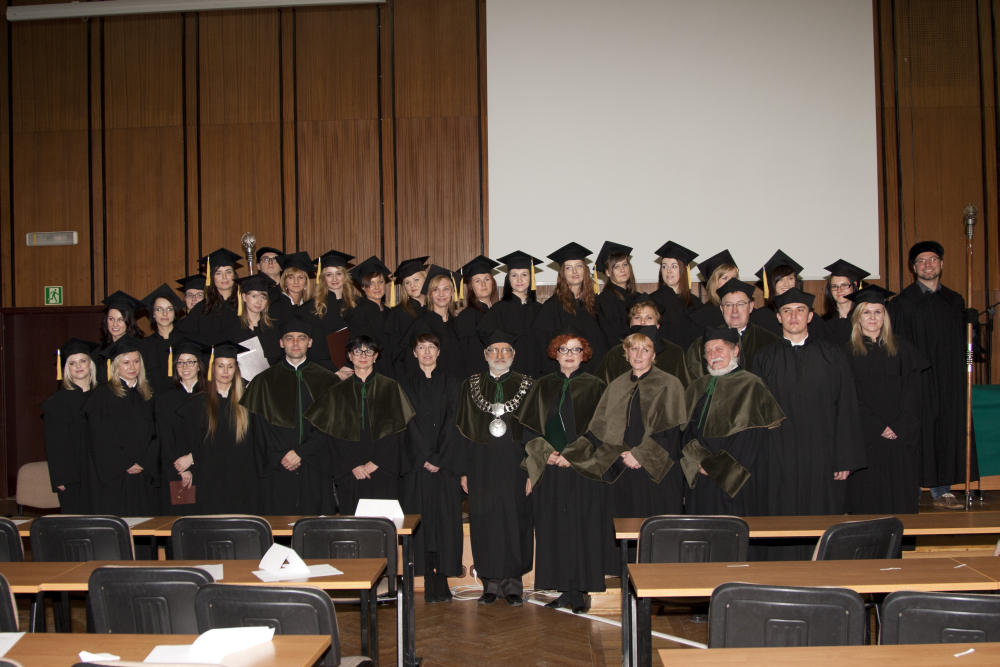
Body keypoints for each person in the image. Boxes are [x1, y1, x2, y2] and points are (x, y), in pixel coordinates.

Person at [755, 288, 866, 558]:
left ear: (810, 316)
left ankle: (822, 573)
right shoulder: (764, 358)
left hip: (823, 454)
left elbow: (846, 407)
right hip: (778, 455)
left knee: (821, 516)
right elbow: (755, 413)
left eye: (800, 310)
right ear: (779, 317)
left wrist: (844, 458)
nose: (793, 316)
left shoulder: (833, 355)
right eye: (787, 311)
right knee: (780, 516)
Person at [514, 330, 608, 615]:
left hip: (583, 468)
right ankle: (561, 588)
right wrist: (549, 454)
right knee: (552, 526)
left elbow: (602, 429)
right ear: (555, 353)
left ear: (584, 355)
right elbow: (527, 429)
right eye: (564, 349)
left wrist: (572, 455)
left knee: (582, 527)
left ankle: (579, 591)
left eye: (575, 349)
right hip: (551, 468)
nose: (569, 354)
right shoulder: (542, 386)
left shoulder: (596, 386)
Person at [887, 241, 979, 510]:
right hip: (918, 380)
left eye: (932, 259)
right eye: (921, 261)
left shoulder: (954, 301)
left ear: (941, 264)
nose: (927, 265)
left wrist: (971, 327)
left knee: (946, 429)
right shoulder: (902, 303)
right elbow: (895, 346)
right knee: (918, 429)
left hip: (949, 379)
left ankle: (942, 491)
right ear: (913, 268)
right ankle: (912, 488)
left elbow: (966, 345)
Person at [590, 331, 687, 569]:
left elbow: (671, 429)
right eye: (634, 349)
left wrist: (640, 455)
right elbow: (601, 427)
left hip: (656, 469)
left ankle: (657, 577)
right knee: (624, 526)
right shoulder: (616, 385)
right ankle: (624, 575)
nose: (639, 354)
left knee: (653, 527)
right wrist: (617, 455)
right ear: (626, 353)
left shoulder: (669, 383)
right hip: (622, 466)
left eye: (645, 349)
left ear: (654, 354)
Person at [455, 330, 534, 606]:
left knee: (515, 520)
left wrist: (532, 470)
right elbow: (461, 432)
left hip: (516, 465)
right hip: (480, 464)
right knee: (484, 520)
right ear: (485, 354)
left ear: (513, 354)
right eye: (494, 350)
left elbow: (535, 432)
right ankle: (489, 583)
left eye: (505, 350)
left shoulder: (528, 385)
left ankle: (513, 585)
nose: (500, 355)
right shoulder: (470, 386)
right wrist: (463, 471)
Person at [681, 328, 785, 517]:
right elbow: (686, 431)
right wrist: (699, 461)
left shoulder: (751, 384)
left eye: (719, 349)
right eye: (708, 351)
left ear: (735, 350)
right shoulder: (697, 386)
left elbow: (751, 439)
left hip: (734, 478)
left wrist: (714, 467)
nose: (713, 355)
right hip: (700, 473)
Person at [241, 318, 340, 514]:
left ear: (310, 342)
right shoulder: (263, 381)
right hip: (279, 466)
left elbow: (332, 424)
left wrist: (302, 452)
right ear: (281, 343)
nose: (295, 343)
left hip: (315, 465)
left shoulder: (328, 380)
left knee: (314, 523)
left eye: (301, 338)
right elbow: (260, 428)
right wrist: (283, 455)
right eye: (289, 338)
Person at [844, 285, 929, 515]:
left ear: (885, 316)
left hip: (900, 438)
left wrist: (899, 426)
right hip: (866, 439)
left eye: (878, 312)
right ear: (857, 317)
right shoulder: (846, 354)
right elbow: (848, 398)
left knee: (900, 498)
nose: (872, 317)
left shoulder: (903, 349)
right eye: (866, 312)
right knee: (868, 499)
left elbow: (914, 393)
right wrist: (877, 426)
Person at [307, 335, 414, 515]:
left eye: (368, 351)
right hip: (350, 471)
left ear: (376, 356)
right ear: (350, 356)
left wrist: (378, 462)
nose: (363, 355)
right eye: (357, 351)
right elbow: (333, 434)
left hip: (382, 470)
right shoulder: (337, 392)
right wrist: (353, 464)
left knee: (383, 524)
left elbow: (398, 432)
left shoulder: (390, 387)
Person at [398, 327, 464, 602]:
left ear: (439, 351)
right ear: (414, 353)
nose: (427, 352)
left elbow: (454, 421)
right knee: (421, 521)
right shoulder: (403, 384)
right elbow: (407, 422)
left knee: (445, 522)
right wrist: (424, 456)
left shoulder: (452, 382)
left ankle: (443, 578)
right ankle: (425, 576)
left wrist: (438, 458)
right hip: (416, 465)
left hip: (444, 465)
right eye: (421, 348)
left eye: (432, 347)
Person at [176, 340, 261, 514]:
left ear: (236, 369)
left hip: (242, 478)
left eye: (230, 366)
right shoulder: (199, 403)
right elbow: (191, 441)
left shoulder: (248, 400)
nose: (225, 371)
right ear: (212, 368)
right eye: (220, 366)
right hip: (210, 477)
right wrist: (192, 456)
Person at [82, 335, 160, 516]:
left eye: (136, 361)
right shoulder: (102, 394)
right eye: (126, 362)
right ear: (116, 365)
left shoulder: (149, 394)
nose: (132, 367)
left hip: (143, 471)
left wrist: (145, 461)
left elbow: (157, 433)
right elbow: (99, 437)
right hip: (115, 473)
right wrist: (125, 462)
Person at [42, 338, 98, 514]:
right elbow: (54, 444)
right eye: (72, 363)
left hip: (101, 472)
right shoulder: (57, 401)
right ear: (66, 368)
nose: (78, 366)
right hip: (73, 475)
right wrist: (61, 477)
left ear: (90, 364)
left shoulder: (103, 395)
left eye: (82, 361)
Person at [532, 243, 608, 374]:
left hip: (592, 375)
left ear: (585, 270)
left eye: (579, 266)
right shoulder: (552, 307)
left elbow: (601, 344)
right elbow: (543, 351)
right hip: (565, 376)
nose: (574, 272)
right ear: (563, 273)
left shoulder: (595, 304)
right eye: (568, 268)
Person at [684, 279, 779, 379]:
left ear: (751, 307)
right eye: (729, 305)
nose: (734, 310)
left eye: (740, 304)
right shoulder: (701, 345)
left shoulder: (770, 342)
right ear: (722, 309)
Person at [154, 337, 205, 515]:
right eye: (180, 362)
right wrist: (182, 469)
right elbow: (165, 438)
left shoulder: (211, 397)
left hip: (207, 469)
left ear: (199, 366)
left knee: (207, 519)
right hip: (177, 471)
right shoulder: (165, 400)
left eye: (190, 362)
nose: (185, 367)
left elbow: (216, 435)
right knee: (181, 520)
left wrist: (193, 458)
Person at [477, 250, 545, 379]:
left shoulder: (541, 310)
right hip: (508, 377)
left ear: (531, 278)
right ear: (508, 278)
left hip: (539, 375)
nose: (519, 279)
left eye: (524, 274)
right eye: (514, 275)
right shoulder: (497, 311)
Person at [594, 298, 691, 387]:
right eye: (637, 317)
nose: (642, 322)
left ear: (658, 324)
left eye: (649, 318)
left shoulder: (675, 353)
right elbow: (599, 389)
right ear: (630, 324)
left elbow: (686, 390)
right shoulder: (615, 355)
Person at [396, 265, 465, 380]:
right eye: (436, 289)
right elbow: (410, 364)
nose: (441, 294)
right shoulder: (420, 324)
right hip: (429, 386)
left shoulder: (457, 324)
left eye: (446, 289)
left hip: (455, 385)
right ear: (430, 294)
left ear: (452, 293)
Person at [750, 250, 829, 340]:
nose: (786, 284)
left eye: (790, 278)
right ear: (771, 284)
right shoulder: (760, 317)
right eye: (780, 279)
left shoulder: (808, 316)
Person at [302, 249, 357, 374]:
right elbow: (312, 348)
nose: (334, 278)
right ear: (323, 278)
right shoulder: (312, 308)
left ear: (345, 276)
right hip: (324, 371)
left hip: (353, 368)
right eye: (329, 274)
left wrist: (349, 366)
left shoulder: (357, 305)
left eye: (338, 273)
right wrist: (334, 372)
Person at [176, 248, 243, 345]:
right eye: (218, 273)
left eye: (228, 272)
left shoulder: (245, 304)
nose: (224, 277)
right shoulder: (202, 308)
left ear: (234, 275)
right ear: (211, 278)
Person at [345, 256, 395, 377]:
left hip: (391, 370)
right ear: (362, 286)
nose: (377, 287)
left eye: (380, 282)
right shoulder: (359, 313)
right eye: (371, 283)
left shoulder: (389, 312)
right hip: (372, 372)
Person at [649, 241, 704, 349]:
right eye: (664, 267)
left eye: (674, 266)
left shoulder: (695, 303)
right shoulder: (652, 301)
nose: (668, 271)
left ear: (683, 270)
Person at [454, 255, 501, 378]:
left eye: (487, 279)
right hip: (480, 378)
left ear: (493, 283)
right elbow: (469, 356)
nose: (483, 284)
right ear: (471, 287)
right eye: (477, 281)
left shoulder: (500, 312)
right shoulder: (467, 317)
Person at [385, 257, 429, 377]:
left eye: (416, 280)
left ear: (426, 279)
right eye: (407, 282)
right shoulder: (398, 314)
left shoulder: (435, 310)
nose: (412, 285)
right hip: (409, 374)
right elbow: (394, 353)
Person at [225, 274, 283, 364]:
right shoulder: (232, 328)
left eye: (263, 297)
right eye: (254, 296)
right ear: (244, 297)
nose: (259, 301)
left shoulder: (273, 328)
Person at [139, 283, 185, 394]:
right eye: (159, 309)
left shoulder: (186, 341)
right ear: (153, 314)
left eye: (169, 309)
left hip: (184, 399)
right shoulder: (144, 345)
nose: (164, 314)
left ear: (175, 313)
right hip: (155, 400)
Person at [595, 241, 637, 349]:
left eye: (624, 264)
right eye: (616, 267)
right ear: (607, 272)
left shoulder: (638, 297)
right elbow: (612, 336)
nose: (622, 270)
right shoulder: (604, 300)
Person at [96, 291, 146, 383]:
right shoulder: (99, 352)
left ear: (129, 322)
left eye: (120, 320)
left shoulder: (142, 348)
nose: (115, 324)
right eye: (111, 319)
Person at [822, 259, 870, 346]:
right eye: (834, 286)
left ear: (854, 285)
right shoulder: (824, 322)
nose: (839, 290)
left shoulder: (864, 319)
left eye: (844, 285)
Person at [689, 250, 737, 328]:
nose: (730, 282)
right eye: (725, 278)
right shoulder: (702, 316)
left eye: (734, 278)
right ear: (714, 283)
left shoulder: (746, 311)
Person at [268, 251, 314, 327]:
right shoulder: (275, 308)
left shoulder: (311, 307)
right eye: (291, 277)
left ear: (306, 282)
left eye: (300, 277)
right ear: (285, 282)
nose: (296, 282)